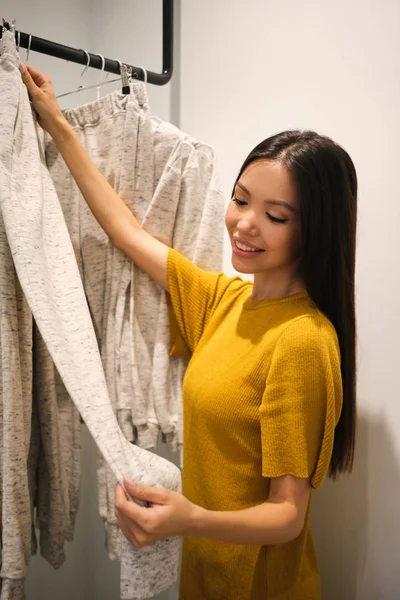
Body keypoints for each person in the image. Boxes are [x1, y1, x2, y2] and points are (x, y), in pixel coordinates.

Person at [20, 63, 357, 600]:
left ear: (317, 229)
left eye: (276, 216)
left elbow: (287, 517)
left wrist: (188, 520)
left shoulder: (302, 341)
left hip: (260, 586)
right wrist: (59, 125)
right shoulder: (225, 301)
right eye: (241, 200)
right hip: (206, 575)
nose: (244, 224)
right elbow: (126, 233)